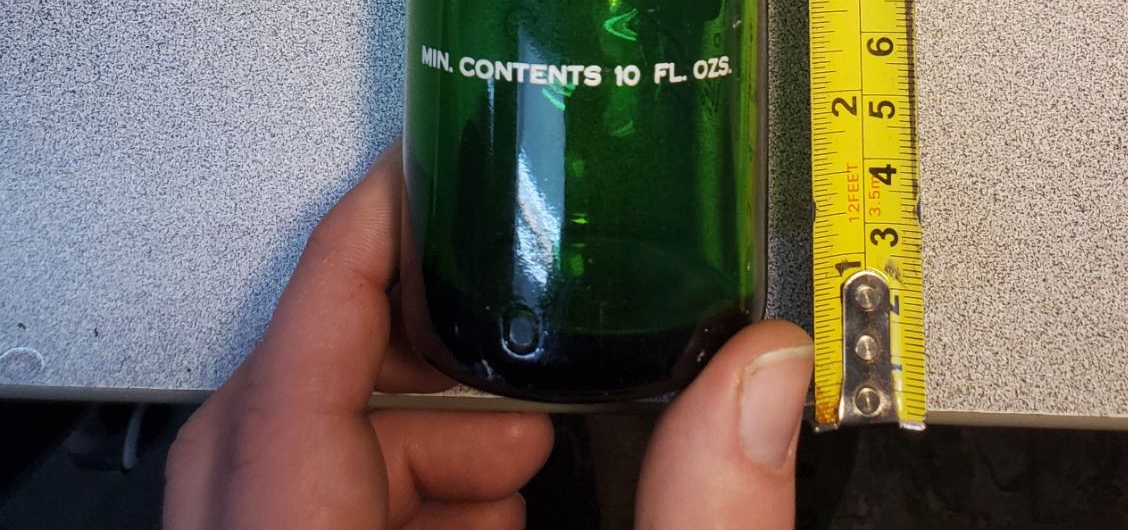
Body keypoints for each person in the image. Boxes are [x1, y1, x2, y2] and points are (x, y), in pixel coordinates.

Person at [164, 144, 813, 528]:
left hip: (662, 330)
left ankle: (569, 461)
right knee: (527, 467)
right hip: (482, 338)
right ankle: (571, 465)